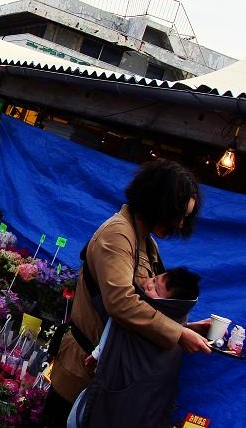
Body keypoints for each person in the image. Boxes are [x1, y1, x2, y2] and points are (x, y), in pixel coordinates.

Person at [44, 159, 212, 428]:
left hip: (109, 380)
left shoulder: (146, 242)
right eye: (179, 214)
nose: (181, 224)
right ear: (159, 203)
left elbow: (148, 306)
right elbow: (121, 302)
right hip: (81, 375)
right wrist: (178, 333)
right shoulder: (118, 234)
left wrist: (187, 329)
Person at [67, 267, 202, 428]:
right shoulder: (144, 309)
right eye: (154, 279)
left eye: (156, 289)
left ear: (171, 305)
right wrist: (98, 353)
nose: (149, 284)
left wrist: (188, 329)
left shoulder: (152, 317)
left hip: (134, 398)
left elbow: (115, 326)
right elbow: (112, 327)